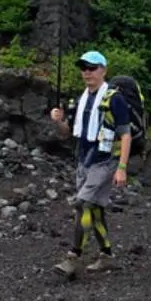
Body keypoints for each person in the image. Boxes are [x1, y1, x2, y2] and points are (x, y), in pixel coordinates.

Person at [50, 50, 131, 278]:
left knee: (82, 204)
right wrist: (59, 121)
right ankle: (107, 256)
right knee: (94, 209)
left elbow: (125, 134)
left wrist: (122, 168)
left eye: (92, 68)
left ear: (103, 70)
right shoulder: (81, 100)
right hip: (84, 161)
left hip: (105, 162)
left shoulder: (114, 99)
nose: (87, 72)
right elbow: (67, 133)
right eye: (84, 68)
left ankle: (73, 257)